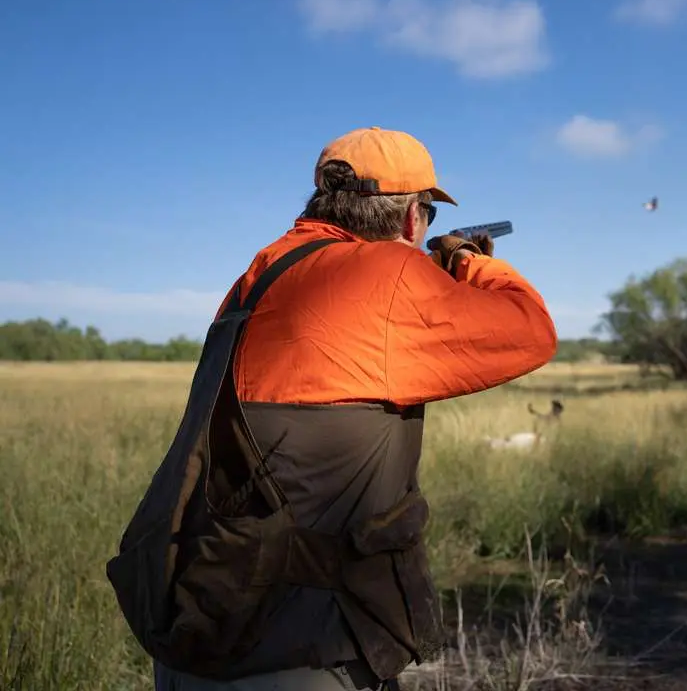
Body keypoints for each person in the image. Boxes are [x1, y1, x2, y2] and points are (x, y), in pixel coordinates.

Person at [105, 126, 559, 690]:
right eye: (428, 219)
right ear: (413, 219)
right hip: (300, 647)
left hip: (203, 618)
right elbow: (531, 331)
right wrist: (466, 259)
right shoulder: (388, 274)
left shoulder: (261, 273)